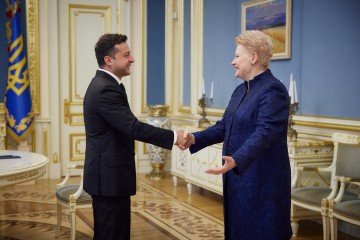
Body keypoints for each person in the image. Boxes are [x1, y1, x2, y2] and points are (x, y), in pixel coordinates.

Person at [184, 30, 292, 239]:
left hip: (262, 183)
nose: (232, 62)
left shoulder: (273, 90)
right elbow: (224, 126)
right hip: (238, 178)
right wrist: (195, 138)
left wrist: (236, 159)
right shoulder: (239, 91)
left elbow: (265, 132)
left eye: (237, 56)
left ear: (253, 58)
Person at [83, 33, 188, 240]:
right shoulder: (105, 89)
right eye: (127, 55)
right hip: (109, 179)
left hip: (110, 178)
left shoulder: (107, 85)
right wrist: (175, 137)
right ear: (109, 60)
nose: (132, 59)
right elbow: (134, 129)